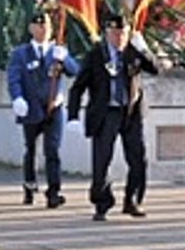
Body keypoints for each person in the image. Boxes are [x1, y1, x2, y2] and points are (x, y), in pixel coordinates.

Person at [67, 13, 160, 221]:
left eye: (123, 33)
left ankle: (132, 200)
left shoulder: (133, 53)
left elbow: (155, 69)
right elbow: (78, 87)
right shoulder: (96, 55)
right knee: (102, 160)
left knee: (138, 159)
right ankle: (102, 203)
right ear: (107, 33)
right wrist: (72, 115)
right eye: (116, 33)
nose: (119, 38)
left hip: (130, 112)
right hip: (105, 112)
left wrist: (144, 48)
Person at [6, 9, 80, 208]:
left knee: (52, 150)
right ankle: (29, 185)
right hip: (31, 108)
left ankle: (54, 192)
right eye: (39, 25)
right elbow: (14, 79)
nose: (43, 28)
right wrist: (17, 98)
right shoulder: (21, 53)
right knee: (31, 149)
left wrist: (65, 59)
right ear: (31, 28)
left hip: (54, 108)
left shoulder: (57, 52)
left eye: (46, 24)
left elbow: (75, 72)